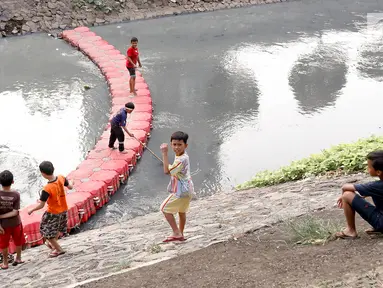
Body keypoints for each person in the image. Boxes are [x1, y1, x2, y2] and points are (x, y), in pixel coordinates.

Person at [28, 161, 73, 258]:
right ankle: (54, 246)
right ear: (53, 169)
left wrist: (31, 210)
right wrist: (72, 181)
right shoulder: (61, 177)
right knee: (56, 229)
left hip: (53, 212)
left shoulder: (47, 189)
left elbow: (41, 205)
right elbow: (70, 186)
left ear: (43, 173)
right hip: (63, 210)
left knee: (45, 231)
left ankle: (59, 249)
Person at [336, 150, 383, 239]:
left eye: (369, 167)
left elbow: (345, 187)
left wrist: (343, 196)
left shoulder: (376, 186)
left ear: (378, 172)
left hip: (381, 222)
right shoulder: (376, 187)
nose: (367, 169)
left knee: (347, 195)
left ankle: (350, 230)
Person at [159, 131, 194, 242]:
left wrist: (164, 153)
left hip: (181, 191)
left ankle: (176, 232)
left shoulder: (180, 159)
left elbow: (166, 171)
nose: (176, 147)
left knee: (164, 208)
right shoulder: (183, 156)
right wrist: (171, 168)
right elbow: (172, 170)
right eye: (174, 144)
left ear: (185, 145)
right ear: (171, 144)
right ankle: (181, 234)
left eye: (180, 145)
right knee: (181, 211)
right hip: (188, 189)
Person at [0, 170, 25, 269]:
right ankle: (18, 258)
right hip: (16, 223)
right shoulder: (16, 194)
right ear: (13, 181)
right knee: (18, 240)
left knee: (4, 244)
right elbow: (15, 212)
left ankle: (5, 263)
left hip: (3, 225)